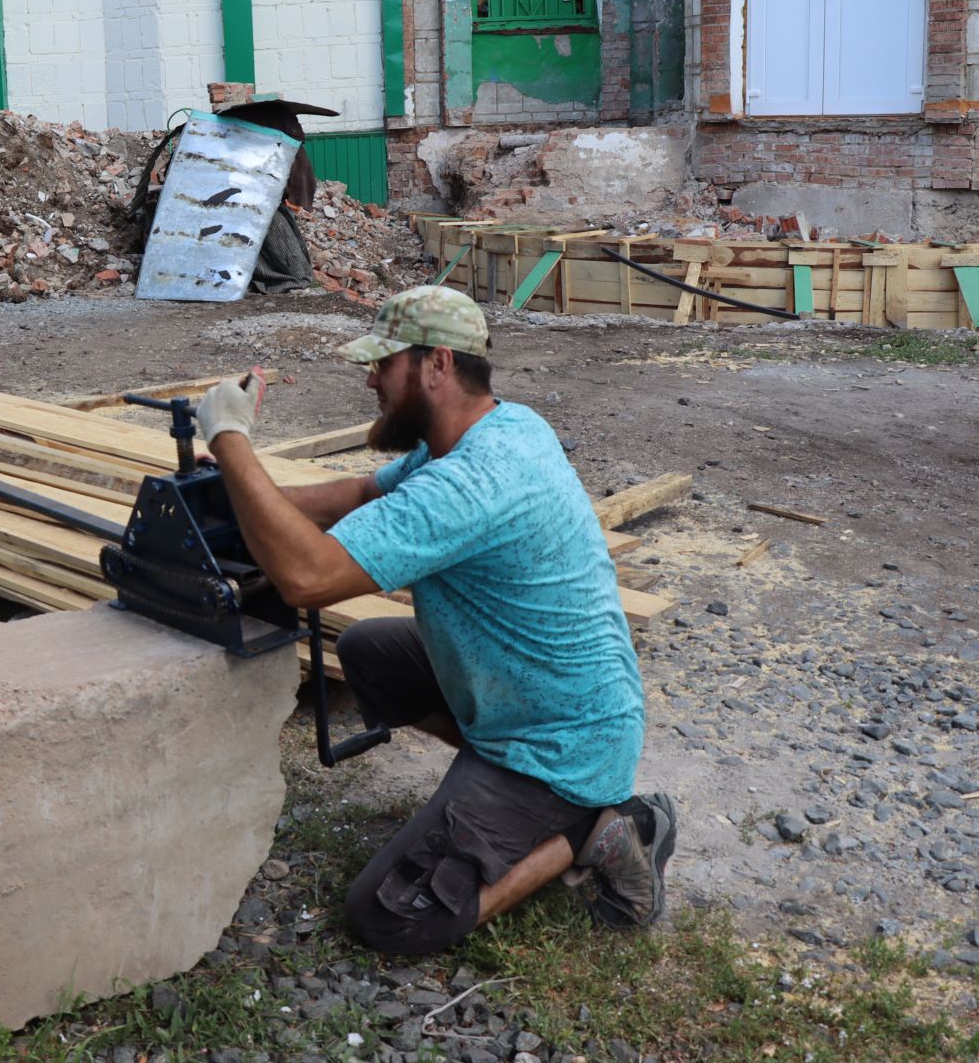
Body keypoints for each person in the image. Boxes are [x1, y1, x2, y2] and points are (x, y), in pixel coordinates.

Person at [194, 285, 675, 954]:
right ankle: (501, 795)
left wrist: (231, 436)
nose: (370, 379)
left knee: (389, 917)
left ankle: (598, 829)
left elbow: (306, 578)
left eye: (382, 364)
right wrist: (238, 490)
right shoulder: (499, 427)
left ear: (437, 365)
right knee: (368, 650)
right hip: (549, 697)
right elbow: (359, 493)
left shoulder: (471, 484)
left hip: (562, 745)